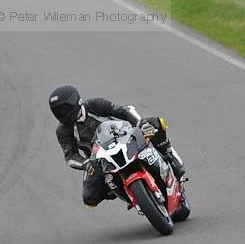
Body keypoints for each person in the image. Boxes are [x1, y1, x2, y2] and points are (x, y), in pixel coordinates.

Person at [48, 85, 186, 207]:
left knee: (156, 123)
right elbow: (70, 156)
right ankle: (119, 189)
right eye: (58, 111)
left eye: (64, 109)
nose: (62, 114)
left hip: (124, 139)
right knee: (89, 198)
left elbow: (121, 111)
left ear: (74, 102)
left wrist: (140, 123)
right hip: (99, 160)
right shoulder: (63, 130)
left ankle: (170, 158)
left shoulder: (94, 105)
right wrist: (86, 163)